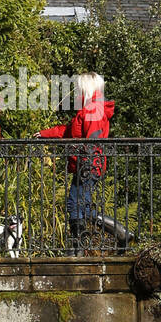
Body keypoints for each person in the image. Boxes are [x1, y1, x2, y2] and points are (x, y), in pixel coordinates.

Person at [36, 73, 114, 255]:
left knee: (75, 205)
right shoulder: (88, 109)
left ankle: (77, 249)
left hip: (88, 166)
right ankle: (117, 234)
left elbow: (92, 141)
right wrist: (46, 133)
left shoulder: (93, 110)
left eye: (79, 87)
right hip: (85, 165)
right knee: (81, 208)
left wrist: (86, 163)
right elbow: (70, 131)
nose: (76, 91)